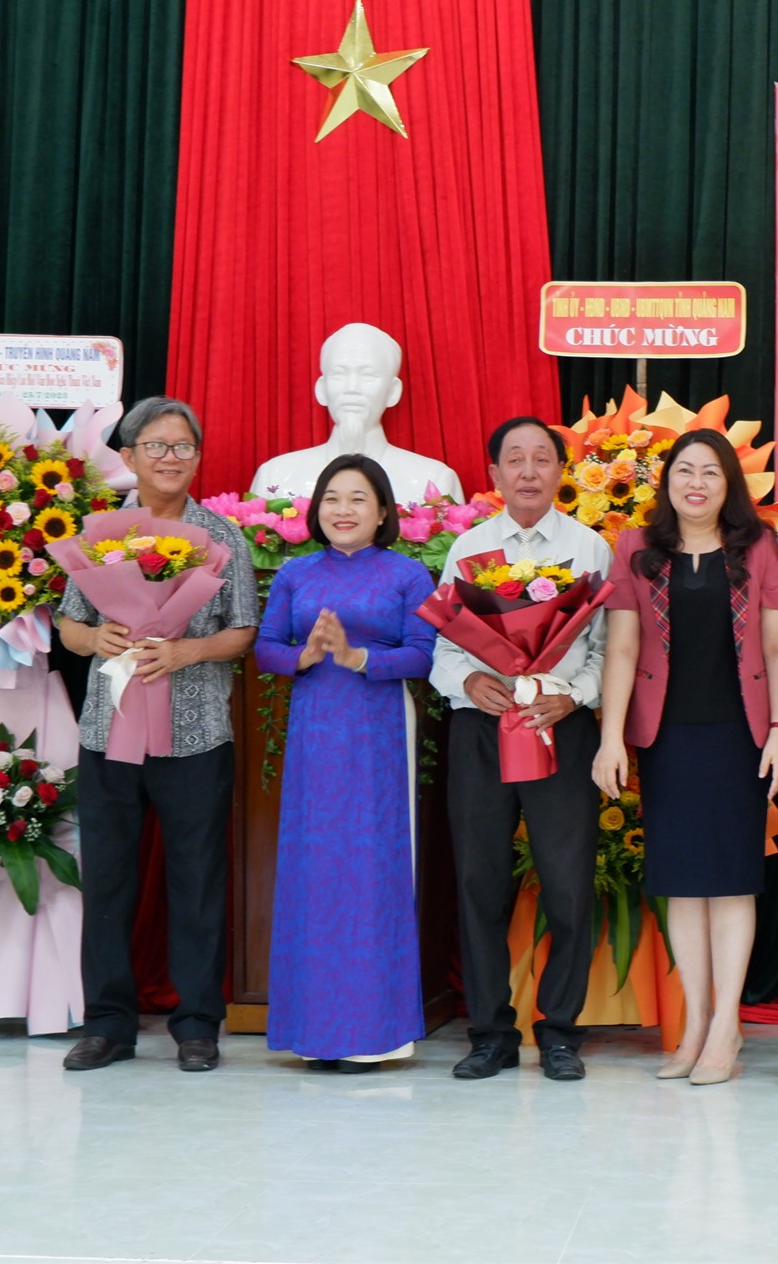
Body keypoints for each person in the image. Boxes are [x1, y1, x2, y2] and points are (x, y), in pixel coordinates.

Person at [56, 396, 259, 1073]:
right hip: (108, 729)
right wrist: (97, 636)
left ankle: (198, 1024)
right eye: (158, 446)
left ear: (198, 458)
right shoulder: (99, 533)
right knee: (108, 878)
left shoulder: (224, 537)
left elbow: (243, 631)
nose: (171, 458)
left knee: (198, 879)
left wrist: (188, 652)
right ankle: (107, 1024)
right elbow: (68, 624)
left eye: (184, 447)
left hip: (196, 733)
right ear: (129, 456)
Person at [593, 430, 778, 1086]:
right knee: (681, 882)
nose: (697, 481)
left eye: (711, 470)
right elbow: (621, 649)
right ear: (667, 480)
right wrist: (611, 736)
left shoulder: (757, 545)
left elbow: (775, 646)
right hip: (668, 736)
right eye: (685, 469)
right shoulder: (637, 548)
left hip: (738, 735)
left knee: (732, 879)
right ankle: (696, 1024)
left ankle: (727, 1025)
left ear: (728, 483)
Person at [428, 416, 611, 1081]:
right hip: (485, 725)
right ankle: (489, 1032)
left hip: (560, 724)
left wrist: (577, 695)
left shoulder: (591, 549)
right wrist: (470, 680)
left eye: (542, 458)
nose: (530, 471)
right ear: (495, 474)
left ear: (562, 472)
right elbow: (443, 646)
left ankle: (559, 1029)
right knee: (480, 881)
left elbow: (604, 650)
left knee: (567, 884)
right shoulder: (469, 548)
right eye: (516, 459)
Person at [254, 455, 437, 1071]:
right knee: (315, 871)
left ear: (383, 511)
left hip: (378, 731)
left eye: (358, 498)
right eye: (332, 497)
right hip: (315, 734)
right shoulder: (296, 574)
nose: (343, 509)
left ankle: (376, 1031)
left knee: (373, 869)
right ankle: (315, 1032)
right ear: (316, 509)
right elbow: (265, 649)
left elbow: (424, 654)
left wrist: (360, 658)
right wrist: (304, 656)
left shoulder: (408, 574)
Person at [249, 322, 463, 504]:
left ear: (393, 391)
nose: (352, 388)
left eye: (368, 375)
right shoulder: (275, 477)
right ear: (322, 389)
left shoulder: (432, 480)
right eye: (339, 374)